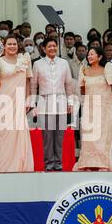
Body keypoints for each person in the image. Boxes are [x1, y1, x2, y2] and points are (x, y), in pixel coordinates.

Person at [74, 47, 112, 172]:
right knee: (89, 137)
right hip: (89, 109)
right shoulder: (84, 70)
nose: (89, 56)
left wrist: (104, 101)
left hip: (104, 109)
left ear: (100, 56)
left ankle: (103, 163)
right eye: (88, 55)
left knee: (103, 136)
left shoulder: (107, 68)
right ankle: (90, 163)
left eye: (92, 54)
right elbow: (82, 89)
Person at [0, 35, 34, 172]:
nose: (12, 46)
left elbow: (27, 81)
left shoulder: (25, 59)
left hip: (20, 101)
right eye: (9, 44)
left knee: (19, 133)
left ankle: (21, 167)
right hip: (5, 101)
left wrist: (28, 98)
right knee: (4, 135)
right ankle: (3, 168)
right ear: (4, 45)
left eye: (14, 44)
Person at [31, 37, 75, 172]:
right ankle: (49, 164)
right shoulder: (38, 64)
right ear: (43, 48)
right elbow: (33, 85)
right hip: (45, 102)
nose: (52, 48)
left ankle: (58, 163)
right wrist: (33, 103)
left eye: (54, 46)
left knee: (59, 136)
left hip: (61, 101)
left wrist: (70, 101)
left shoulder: (64, 63)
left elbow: (68, 84)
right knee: (47, 137)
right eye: (49, 46)